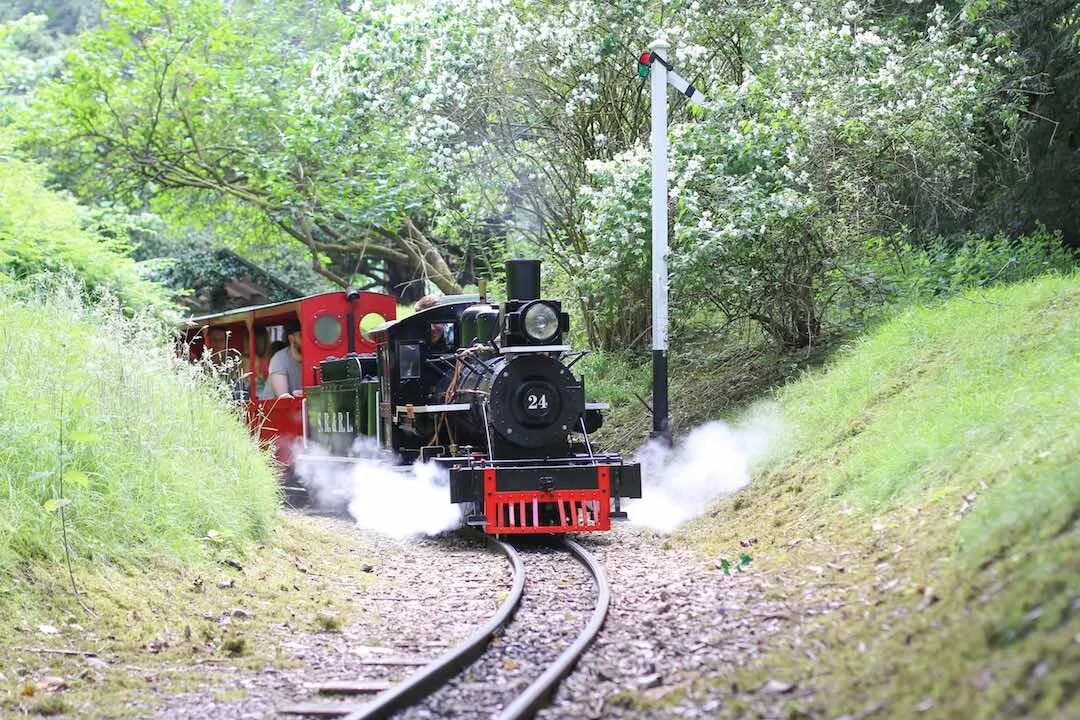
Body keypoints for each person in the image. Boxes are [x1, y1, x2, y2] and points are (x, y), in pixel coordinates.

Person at [269, 320, 304, 398]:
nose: (306, 340)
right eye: (302, 336)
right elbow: (283, 397)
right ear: (291, 338)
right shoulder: (279, 359)